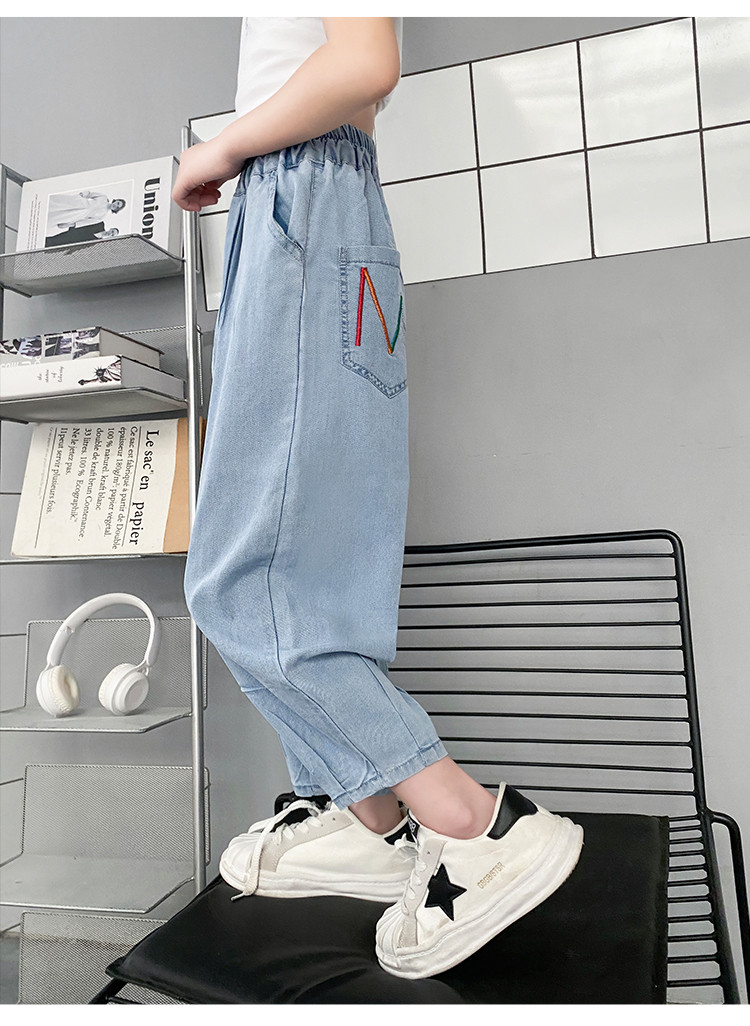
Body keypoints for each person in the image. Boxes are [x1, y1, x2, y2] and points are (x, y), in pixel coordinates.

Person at [172, 16, 583, 980]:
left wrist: (222, 148)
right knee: (311, 562)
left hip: (298, 192)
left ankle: (471, 823)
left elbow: (364, 63)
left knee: (242, 583)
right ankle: (371, 818)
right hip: (318, 198)